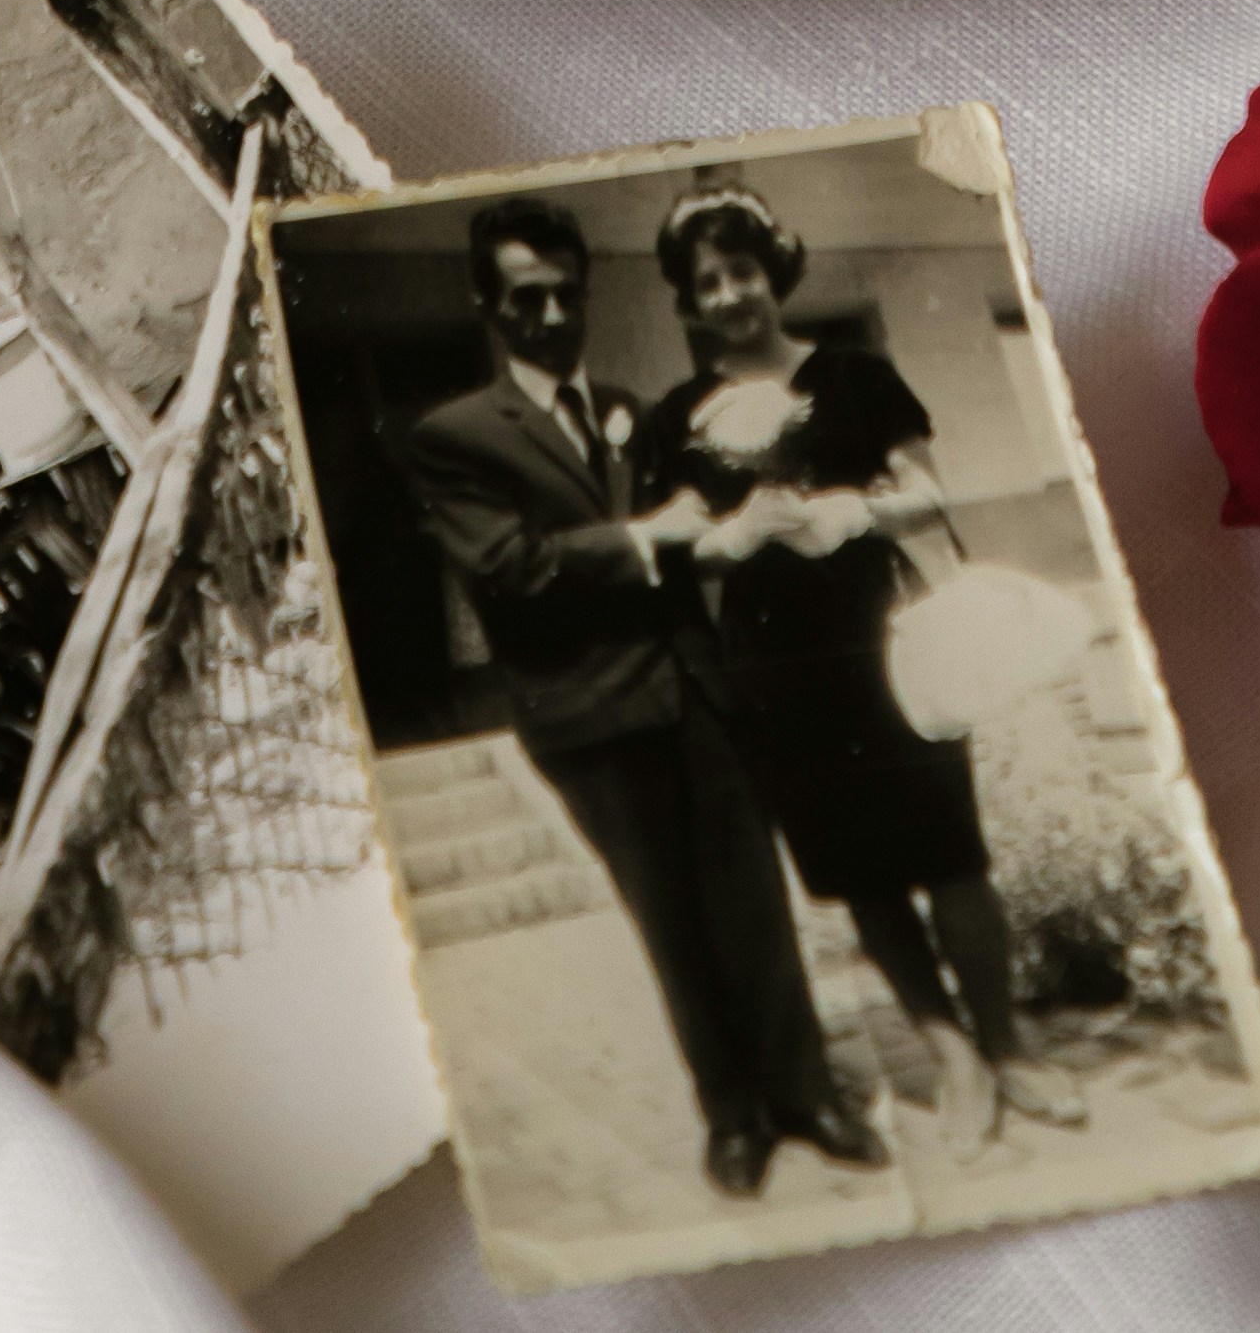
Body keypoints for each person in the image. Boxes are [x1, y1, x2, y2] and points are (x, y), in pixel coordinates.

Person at [392, 192, 887, 1202]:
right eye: (524, 298)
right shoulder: (452, 434)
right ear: (488, 305)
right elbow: (510, 569)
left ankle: (806, 1092)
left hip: (693, 692)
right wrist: (642, 536)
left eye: (564, 293)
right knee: (669, 920)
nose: (549, 315)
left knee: (753, 904)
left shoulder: (626, 406)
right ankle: (733, 1116)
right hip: (587, 716)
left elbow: (698, 527)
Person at [631, 177, 1088, 1157]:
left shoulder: (854, 374)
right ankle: (951, 1055)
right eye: (706, 281)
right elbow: (676, 543)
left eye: (742, 269)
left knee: (951, 851)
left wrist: (856, 509)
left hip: (884, 638)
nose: (728, 294)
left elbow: (926, 489)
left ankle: (1005, 1043)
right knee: (860, 871)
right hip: (773, 664)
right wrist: (731, 535)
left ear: (774, 271)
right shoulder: (674, 416)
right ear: (687, 300)